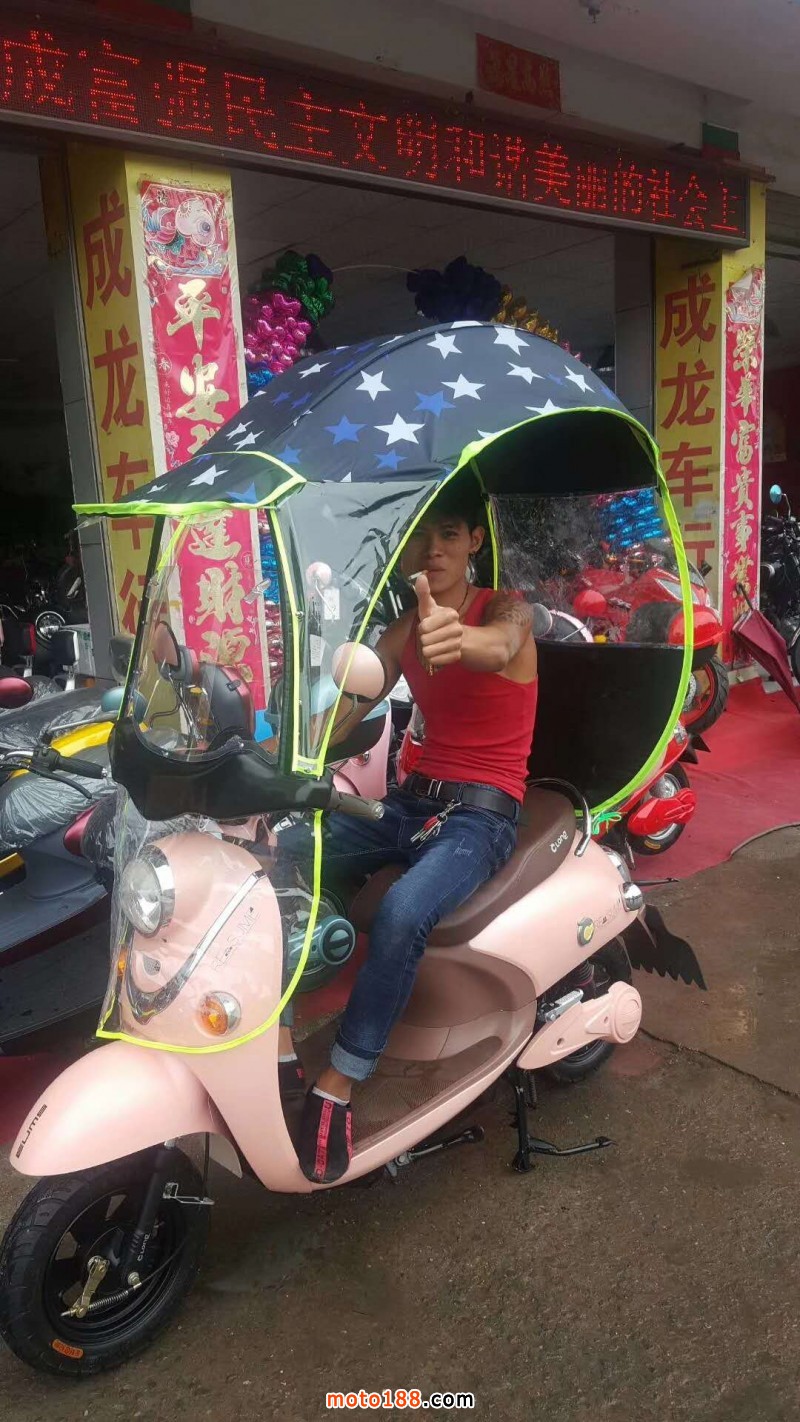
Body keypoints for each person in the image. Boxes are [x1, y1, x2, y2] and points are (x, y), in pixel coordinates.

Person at [291, 479, 539, 1183]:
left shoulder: (509, 611)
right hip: (408, 803)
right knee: (287, 851)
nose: (434, 550)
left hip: (482, 814)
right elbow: (351, 703)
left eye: (450, 534)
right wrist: (285, 752)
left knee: (403, 912)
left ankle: (341, 1079)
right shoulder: (403, 629)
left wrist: (459, 637)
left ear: (475, 542)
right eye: (421, 536)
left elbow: (500, 645)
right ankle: (278, 1030)